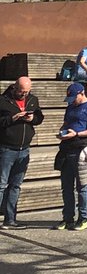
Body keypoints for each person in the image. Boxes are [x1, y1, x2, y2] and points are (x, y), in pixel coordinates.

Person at [56, 82, 87, 231]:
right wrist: (62, 132)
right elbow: (65, 124)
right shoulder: (70, 107)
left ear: (81, 93)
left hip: (82, 148)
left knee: (82, 186)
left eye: (73, 98)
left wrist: (77, 134)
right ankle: (67, 218)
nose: (72, 102)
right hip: (67, 148)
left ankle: (83, 218)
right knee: (67, 187)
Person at [0, 76, 44, 227]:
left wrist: (32, 119)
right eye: (21, 92)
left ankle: (10, 219)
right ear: (15, 88)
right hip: (6, 148)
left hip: (24, 149)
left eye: (26, 92)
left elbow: (40, 117)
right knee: (1, 184)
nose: (24, 94)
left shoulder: (32, 99)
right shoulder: (3, 101)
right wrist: (13, 118)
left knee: (15, 185)